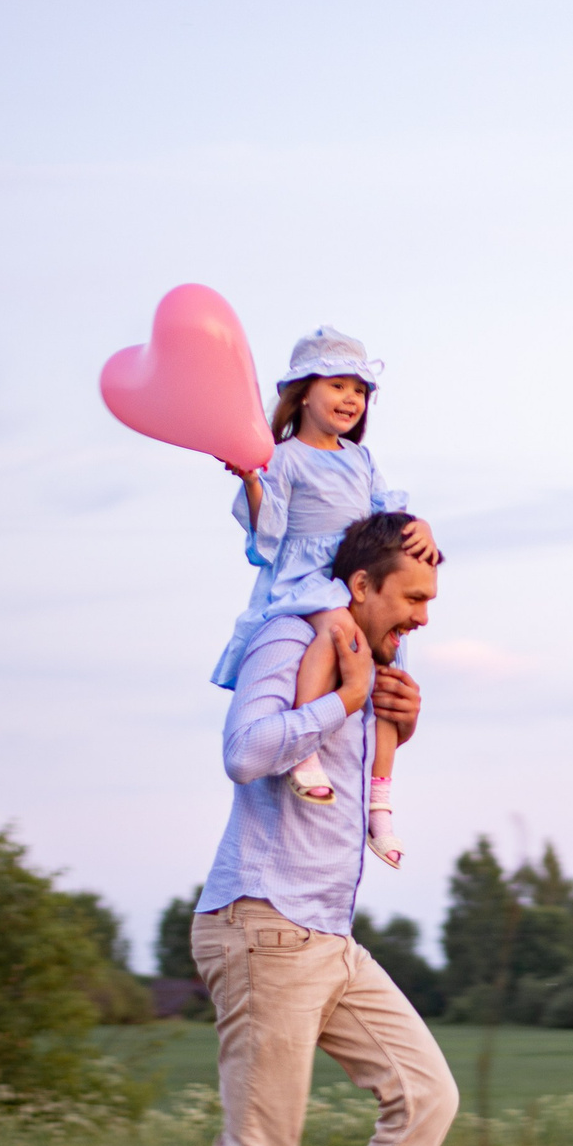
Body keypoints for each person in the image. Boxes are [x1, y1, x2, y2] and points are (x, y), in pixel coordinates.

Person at [82, 511, 458, 1146]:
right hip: (263, 924)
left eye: (431, 601)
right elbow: (247, 751)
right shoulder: (288, 637)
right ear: (359, 584)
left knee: (427, 1095)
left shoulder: (374, 660)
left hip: (325, 932)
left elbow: (347, 774)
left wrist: (396, 719)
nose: (424, 617)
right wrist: (342, 704)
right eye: (412, 598)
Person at [211, 328, 436, 869]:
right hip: (310, 576)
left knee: (387, 679)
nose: (349, 400)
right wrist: (251, 481)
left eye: (359, 391)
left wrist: (419, 524)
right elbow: (270, 531)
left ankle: (379, 797)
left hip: (354, 569)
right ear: (303, 392)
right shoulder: (284, 457)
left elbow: (388, 511)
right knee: (337, 631)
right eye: (337, 386)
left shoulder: (360, 459)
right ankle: (303, 750)